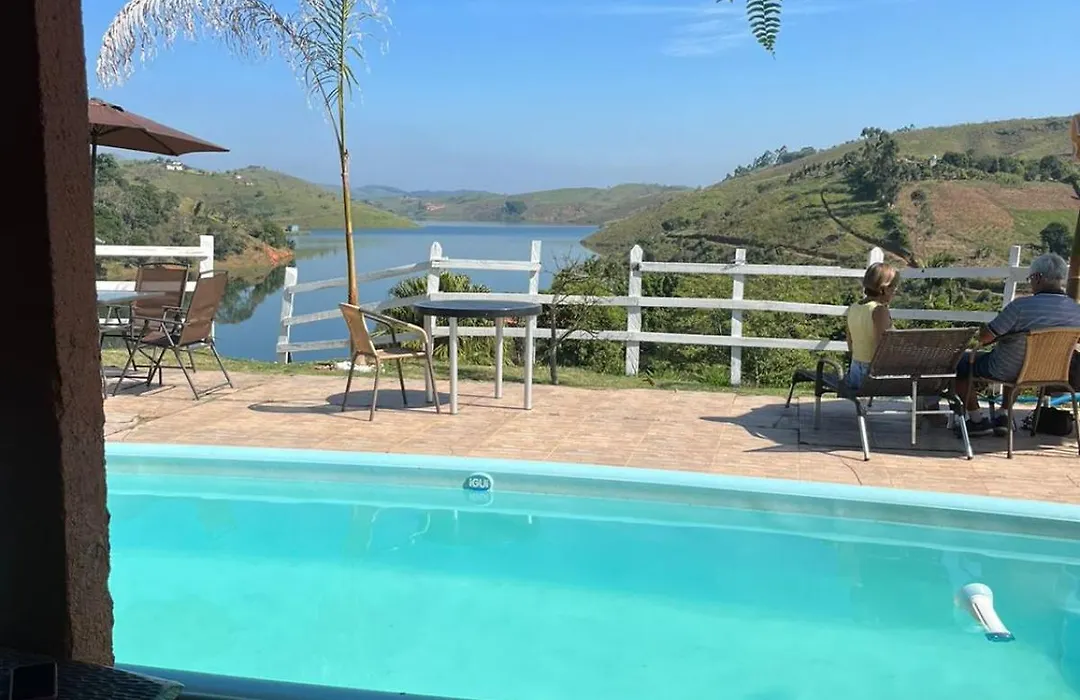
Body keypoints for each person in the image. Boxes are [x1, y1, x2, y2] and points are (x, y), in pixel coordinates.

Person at [956, 252, 1080, 437]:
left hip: (1006, 368)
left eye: (1030, 278)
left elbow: (986, 337)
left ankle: (976, 420)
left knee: (960, 363)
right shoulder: (1076, 310)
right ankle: (1003, 415)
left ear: (1038, 277)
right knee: (1022, 362)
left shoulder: (1020, 306)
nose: (1030, 283)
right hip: (1050, 372)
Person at [846, 262, 899, 390]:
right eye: (894, 287)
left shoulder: (853, 308)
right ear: (884, 289)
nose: (895, 291)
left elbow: (850, 343)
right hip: (871, 375)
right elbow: (883, 348)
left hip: (854, 371)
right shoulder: (879, 310)